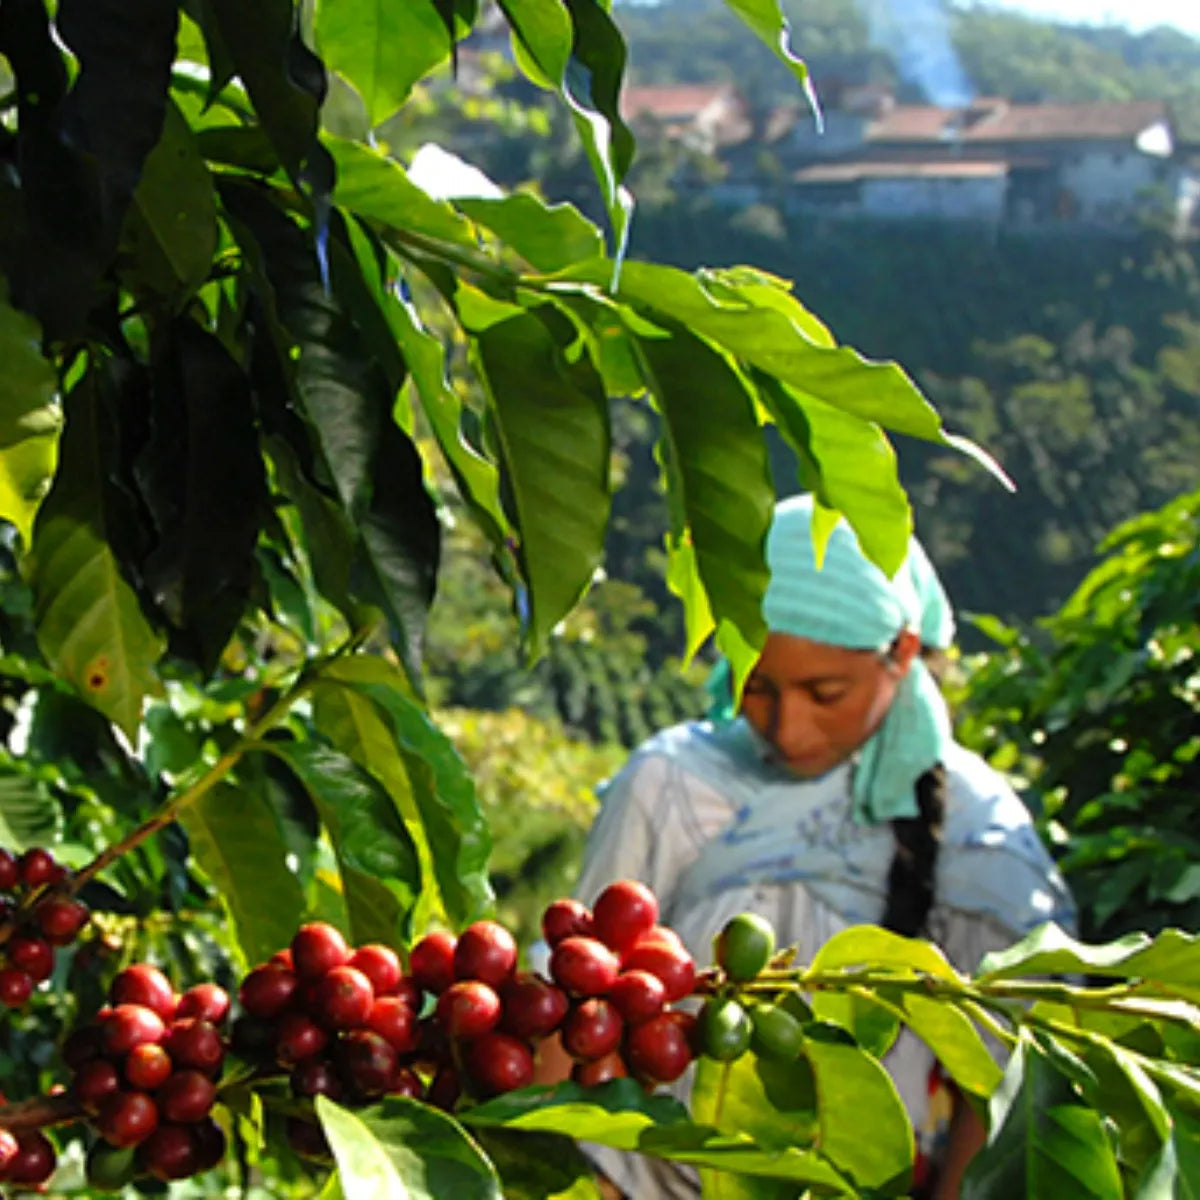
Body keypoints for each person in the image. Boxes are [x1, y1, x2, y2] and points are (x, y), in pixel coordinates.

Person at [544, 494, 1076, 1199]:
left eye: (825, 693)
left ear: (902, 654)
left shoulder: (980, 832)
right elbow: (574, 1000)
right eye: (758, 687)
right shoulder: (669, 783)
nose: (787, 727)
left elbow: (1007, 1079)